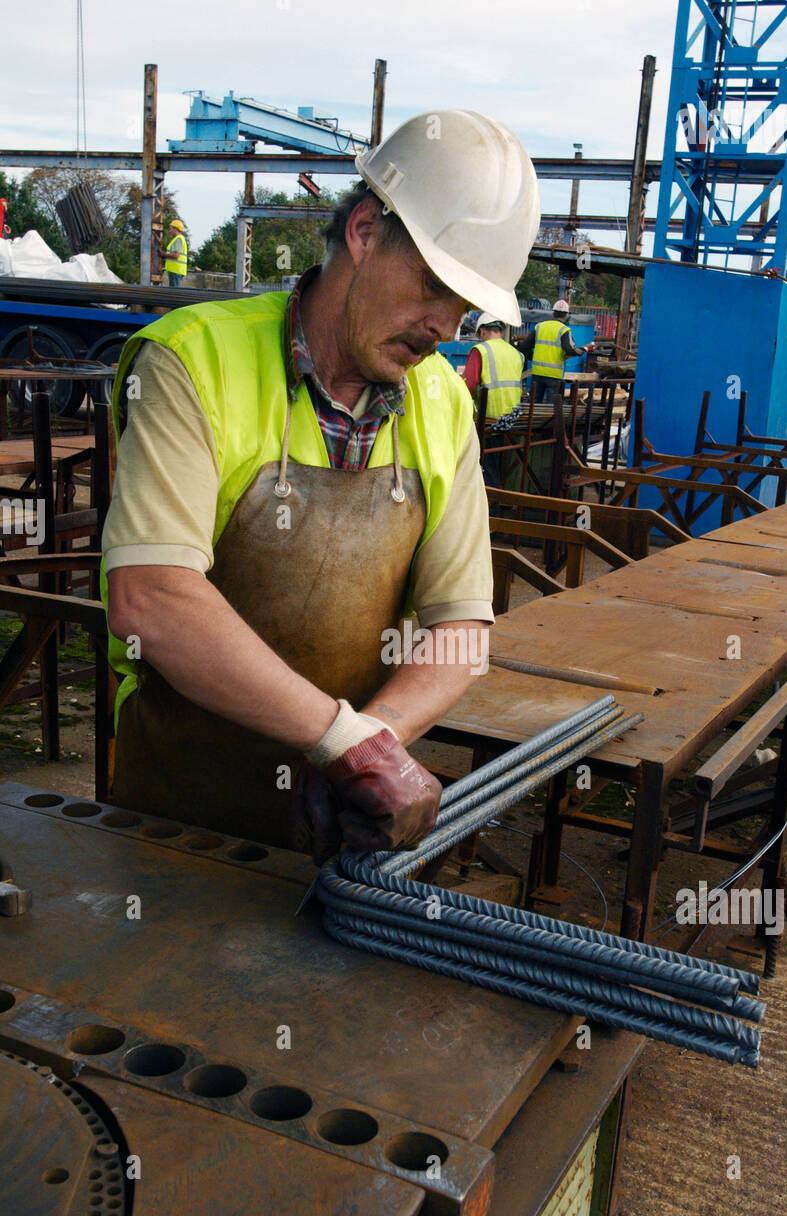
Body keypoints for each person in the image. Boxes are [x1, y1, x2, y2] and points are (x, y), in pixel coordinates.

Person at [100, 110, 540, 863]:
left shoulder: (442, 403)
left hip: (339, 825)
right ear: (365, 232)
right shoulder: (192, 362)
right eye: (434, 283)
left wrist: (371, 746)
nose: (444, 323)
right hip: (178, 815)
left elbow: (460, 631)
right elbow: (152, 596)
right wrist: (340, 740)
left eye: (465, 305)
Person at [461, 313, 524, 486]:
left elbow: (468, 385)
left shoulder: (480, 351)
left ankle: (489, 510)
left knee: (486, 476)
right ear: (501, 332)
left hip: (488, 423)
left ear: (482, 332)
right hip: (514, 423)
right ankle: (501, 505)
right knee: (503, 471)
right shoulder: (517, 354)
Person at [520, 298, 575, 403]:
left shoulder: (539, 326)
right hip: (554, 376)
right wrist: (585, 349)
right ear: (566, 315)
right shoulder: (564, 330)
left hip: (537, 373)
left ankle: (533, 420)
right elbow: (569, 350)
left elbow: (524, 347)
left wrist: (534, 356)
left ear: (553, 314)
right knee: (551, 408)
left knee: (533, 405)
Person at [163, 219, 188, 286]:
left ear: (175, 229)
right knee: (173, 292)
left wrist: (164, 254)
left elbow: (176, 255)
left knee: (174, 293)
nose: (170, 231)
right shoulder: (177, 239)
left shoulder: (178, 239)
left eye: (171, 229)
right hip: (176, 270)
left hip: (176, 270)